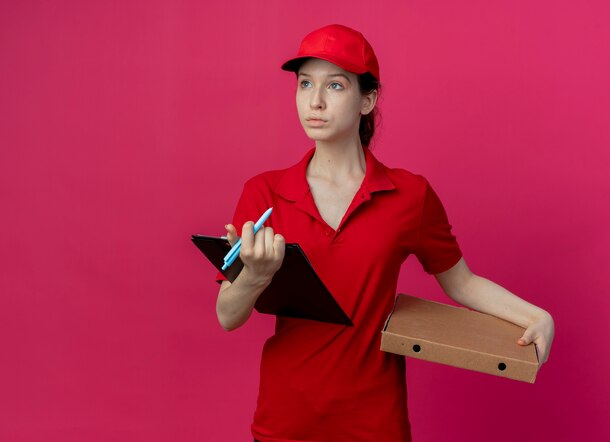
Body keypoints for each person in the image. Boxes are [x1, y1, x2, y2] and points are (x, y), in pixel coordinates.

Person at [215, 24, 554, 442]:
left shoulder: (410, 195)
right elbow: (227, 316)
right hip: (285, 420)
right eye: (305, 84)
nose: (314, 101)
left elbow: (462, 283)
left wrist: (536, 316)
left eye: (335, 86)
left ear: (367, 100)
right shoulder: (264, 193)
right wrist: (254, 275)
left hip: (375, 422)